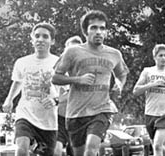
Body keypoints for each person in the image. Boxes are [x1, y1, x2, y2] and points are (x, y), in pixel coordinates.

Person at [52, 10, 129, 156]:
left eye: (102, 28)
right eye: (94, 27)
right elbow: (55, 77)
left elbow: (122, 74)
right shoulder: (72, 52)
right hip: (76, 113)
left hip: (101, 109)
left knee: (91, 150)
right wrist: (77, 79)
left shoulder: (114, 54)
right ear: (86, 32)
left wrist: (120, 84)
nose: (98, 31)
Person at [2, 22, 59, 156]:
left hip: (48, 121)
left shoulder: (58, 63)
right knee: (21, 149)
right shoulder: (22, 62)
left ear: (52, 41)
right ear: (31, 39)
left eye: (45, 36)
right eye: (37, 36)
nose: (40, 39)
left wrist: (55, 100)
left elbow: (68, 92)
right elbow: (18, 82)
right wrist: (9, 99)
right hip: (25, 114)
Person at [133, 44, 165, 156]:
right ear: (155, 57)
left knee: (157, 145)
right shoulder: (147, 71)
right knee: (158, 145)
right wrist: (152, 84)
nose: (163, 58)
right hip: (150, 113)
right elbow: (136, 91)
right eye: (160, 55)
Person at [53, 35, 83, 156]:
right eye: (69, 50)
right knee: (56, 151)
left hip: (79, 118)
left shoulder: (84, 70)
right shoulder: (58, 68)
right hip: (60, 118)